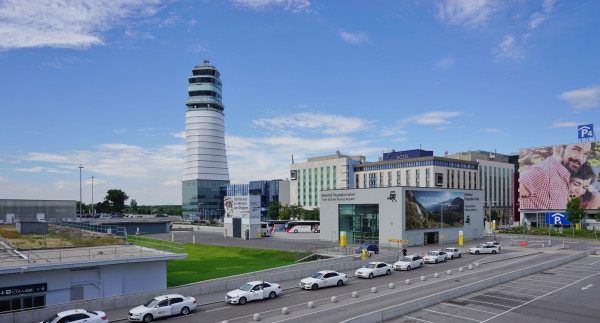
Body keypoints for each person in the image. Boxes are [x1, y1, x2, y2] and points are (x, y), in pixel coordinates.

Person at [520, 142, 593, 209]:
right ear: (559, 148)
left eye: (585, 154)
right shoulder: (542, 171)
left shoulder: (564, 176)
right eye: (576, 149)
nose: (581, 158)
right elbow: (517, 192)